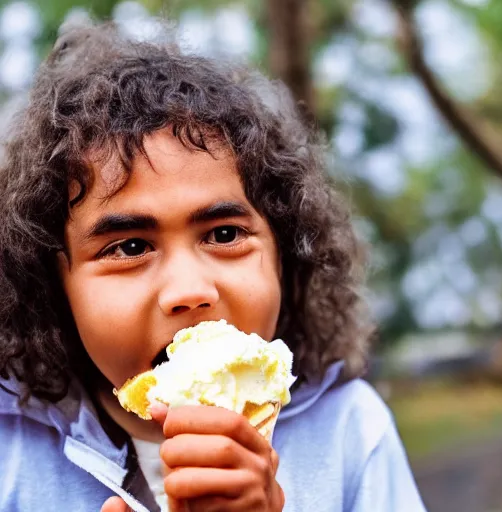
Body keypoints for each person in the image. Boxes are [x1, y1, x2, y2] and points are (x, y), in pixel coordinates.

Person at [0, 21, 426, 512]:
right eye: (130, 247)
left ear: (283, 258)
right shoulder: (12, 452)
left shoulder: (350, 431)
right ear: (56, 283)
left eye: (225, 235)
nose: (188, 289)